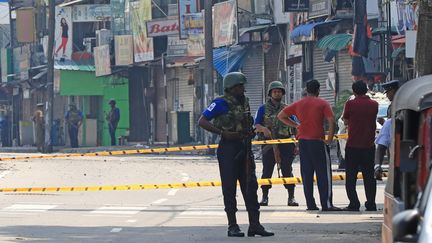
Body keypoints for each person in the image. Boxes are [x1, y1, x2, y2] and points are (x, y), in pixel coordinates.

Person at [198, 72, 274, 237]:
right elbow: (202, 121)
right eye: (239, 86)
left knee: (251, 186)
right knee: (229, 188)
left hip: (245, 148)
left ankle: (255, 225)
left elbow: (249, 121)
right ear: (230, 88)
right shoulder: (219, 103)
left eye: (243, 86)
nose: (243, 89)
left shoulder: (244, 101)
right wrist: (222, 133)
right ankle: (232, 226)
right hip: (228, 149)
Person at [277, 79, 341, 211]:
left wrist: (296, 125)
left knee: (307, 174)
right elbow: (332, 121)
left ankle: (310, 204)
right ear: (318, 90)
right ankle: (326, 204)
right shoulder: (322, 103)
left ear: (306, 89)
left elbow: (281, 115)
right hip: (317, 141)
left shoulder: (299, 103)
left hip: (303, 143)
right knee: (323, 173)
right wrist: (329, 139)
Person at [254, 81, 299, 207]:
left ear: (282, 93)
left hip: (286, 142)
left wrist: (297, 144)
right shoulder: (262, 108)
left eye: (279, 91)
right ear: (270, 93)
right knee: (267, 170)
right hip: (269, 143)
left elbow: (296, 126)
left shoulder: (287, 108)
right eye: (274, 91)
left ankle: (291, 197)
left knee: (287, 169)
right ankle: (264, 197)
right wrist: (264, 129)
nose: (277, 93)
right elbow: (256, 124)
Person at [342, 81, 378, 211]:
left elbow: (345, 121)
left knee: (351, 177)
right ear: (366, 90)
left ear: (354, 91)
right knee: (369, 177)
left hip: (353, 145)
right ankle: (371, 203)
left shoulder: (350, 104)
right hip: (368, 145)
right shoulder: (374, 104)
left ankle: (354, 203)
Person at [375, 80, 400, 180]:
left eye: (388, 92)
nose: (387, 95)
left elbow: (393, 122)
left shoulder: (397, 104)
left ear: (393, 91)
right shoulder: (391, 105)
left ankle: (377, 166)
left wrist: (385, 123)